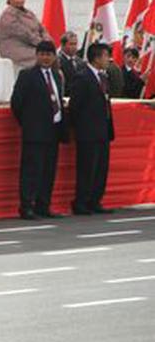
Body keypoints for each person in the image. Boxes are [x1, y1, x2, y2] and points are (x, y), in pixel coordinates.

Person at [10, 41, 67, 220]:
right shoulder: (27, 75)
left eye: (49, 54)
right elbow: (16, 103)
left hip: (54, 130)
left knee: (48, 171)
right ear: (37, 55)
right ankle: (27, 206)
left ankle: (44, 205)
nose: (46, 57)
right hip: (34, 132)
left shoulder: (57, 75)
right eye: (42, 54)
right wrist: (28, 123)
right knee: (31, 171)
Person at [69, 43, 116, 215]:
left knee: (101, 169)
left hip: (103, 130)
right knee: (87, 169)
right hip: (87, 132)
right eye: (105, 56)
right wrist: (79, 128)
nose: (108, 60)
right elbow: (75, 106)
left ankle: (95, 200)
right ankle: (81, 202)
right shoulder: (82, 77)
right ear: (96, 58)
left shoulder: (104, 77)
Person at [0, 0, 52, 69]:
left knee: (51, 55)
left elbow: (42, 28)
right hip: (18, 49)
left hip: (34, 46)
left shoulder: (29, 13)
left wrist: (48, 41)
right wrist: (43, 45)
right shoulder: (8, 15)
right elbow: (25, 35)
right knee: (45, 57)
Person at [57, 31, 85, 96]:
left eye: (75, 44)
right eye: (71, 44)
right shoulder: (58, 61)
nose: (74, 47)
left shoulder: (80, 61)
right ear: (62, 45)